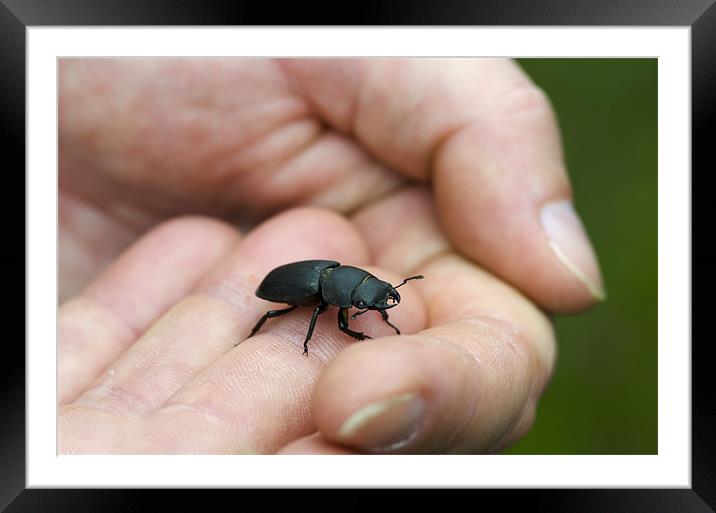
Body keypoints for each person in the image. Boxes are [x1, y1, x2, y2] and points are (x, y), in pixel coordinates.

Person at [58, 58, 604, 454]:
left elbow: (358, 300)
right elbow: (327, 315)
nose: (377, 300)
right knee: (279, 317)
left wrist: (378, 312)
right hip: (285, 284)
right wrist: (347, 332)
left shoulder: (343, 284)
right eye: (372, 299)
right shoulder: (324, 298)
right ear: (347, 290)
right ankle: (263, 336)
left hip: (309, 278)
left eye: (375, 298)